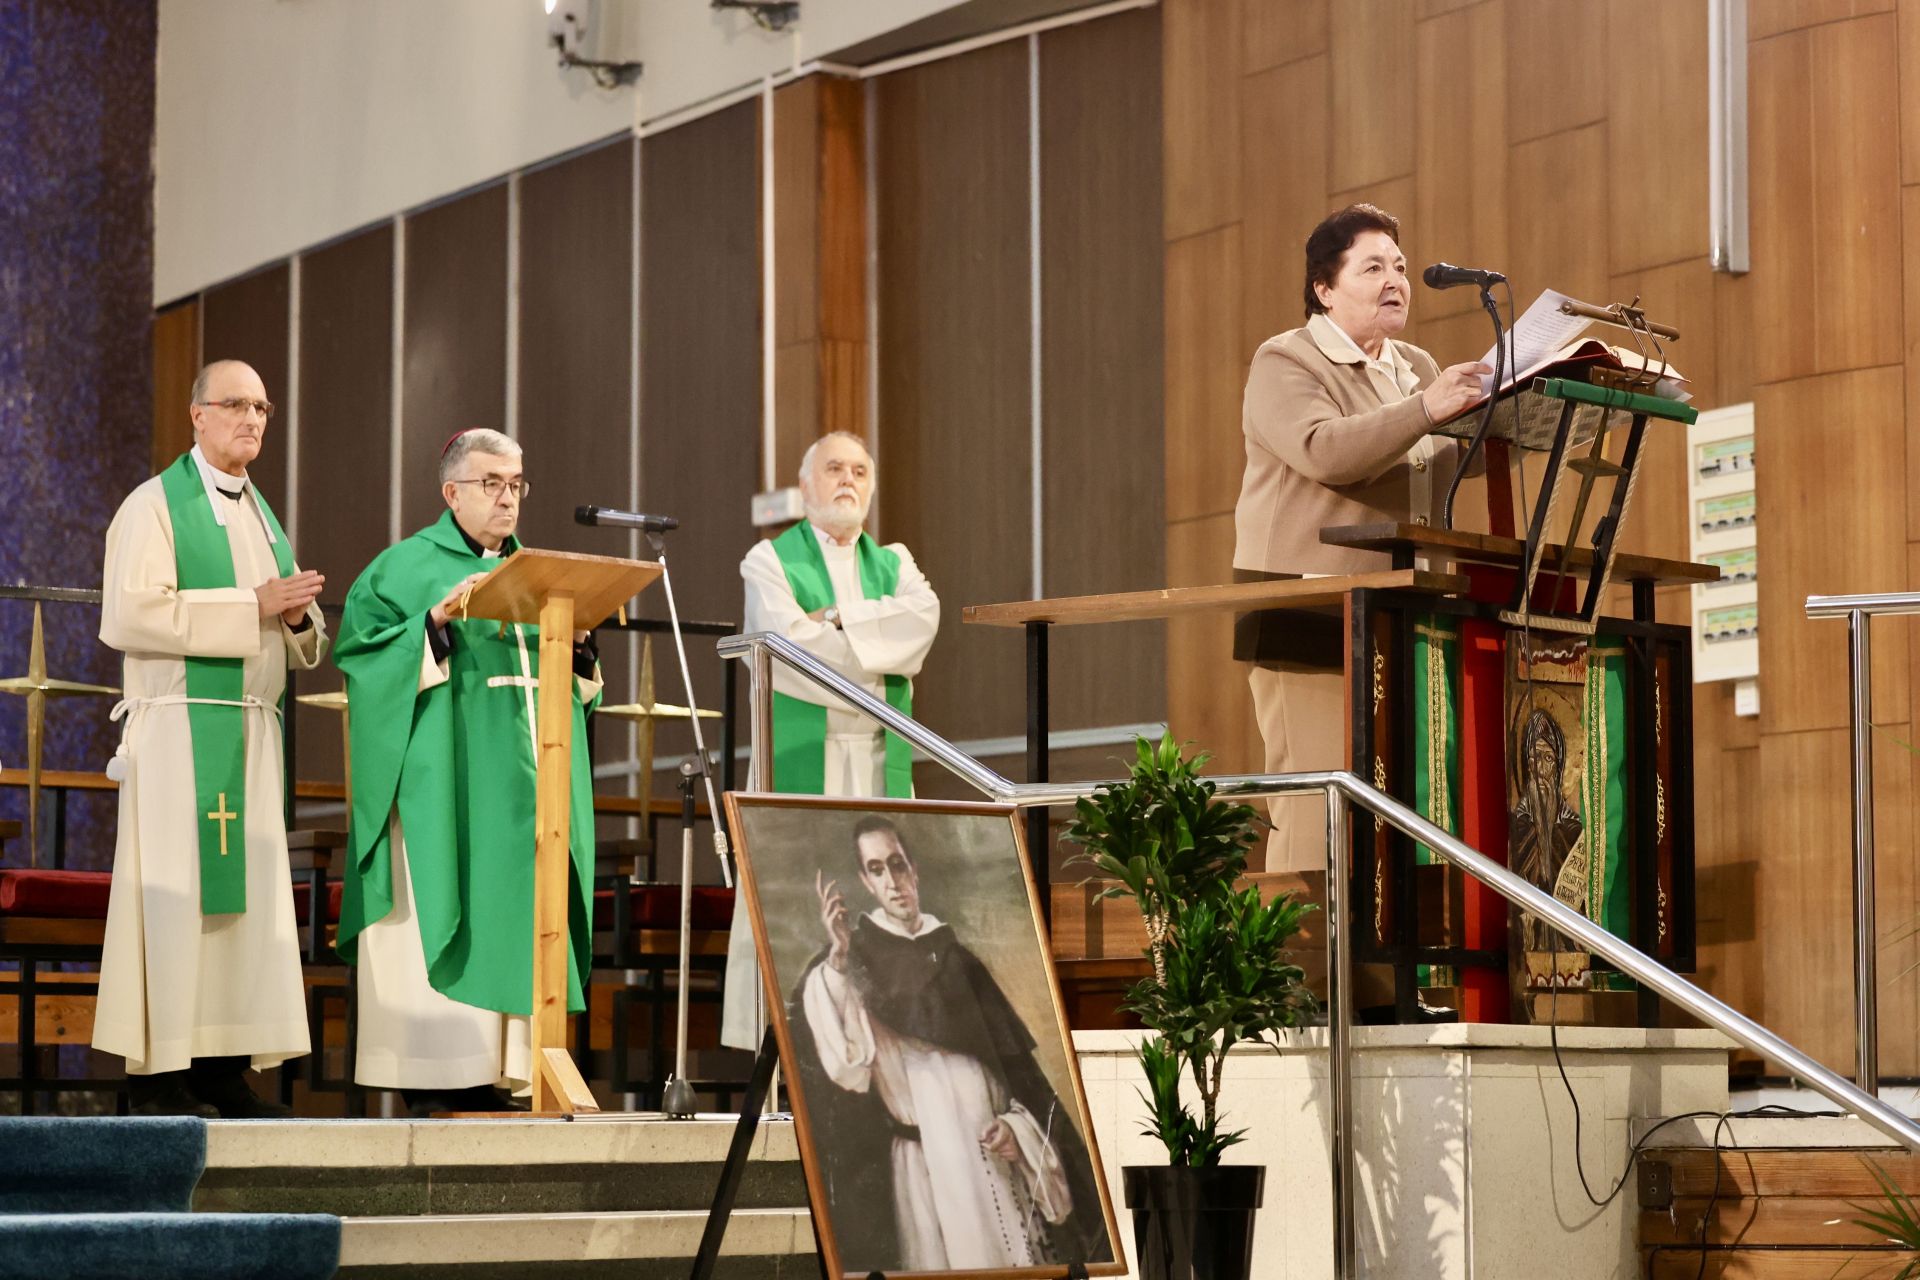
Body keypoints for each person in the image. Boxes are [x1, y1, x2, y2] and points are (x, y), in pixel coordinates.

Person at [332, 428, 601, 1116]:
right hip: (443, 787)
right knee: (441, 898)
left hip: (524, 788)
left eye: (516, 484)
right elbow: (363, 661)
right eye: (492, 483)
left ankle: (508, 1071)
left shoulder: (539, 576)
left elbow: (572, 687)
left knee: (514, 910)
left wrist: (581, 651)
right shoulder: (401, 569)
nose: (508, 498)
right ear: (452, 492)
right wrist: (432, 623)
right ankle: (437, 1074)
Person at [94, 359, 327, 1118]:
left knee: (243, 912)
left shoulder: (262, 515)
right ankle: (160, 1076)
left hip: (250, 733)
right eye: (236, 404)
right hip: (178, 733)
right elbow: (129, 615)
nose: (252, 419)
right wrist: (251, 604)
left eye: (262, 407)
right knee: (178, 901)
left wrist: (294, 618)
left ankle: (223, 1069)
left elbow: (293, 632)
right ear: (197, 415)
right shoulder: (152, 507)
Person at [1231, 203, 1490, 872]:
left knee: (1403, 815)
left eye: (1399, 267)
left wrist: (1557, 414)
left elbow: (1445, 461)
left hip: (1401, 612)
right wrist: (1427, 408)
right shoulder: (1287, 360)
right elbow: (1325, 451)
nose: (1395, 280)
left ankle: (1394, 946)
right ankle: (1303, 944)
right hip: (1308, 613)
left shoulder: (1414, 366)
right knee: (1320, 815)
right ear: (1324, 287)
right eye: (1373, 268)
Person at [791, 816, 1107, 1271]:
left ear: (914, 870)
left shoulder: (960, 960)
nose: (892, 881)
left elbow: (1013, 1078)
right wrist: (840, 962)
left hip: (993, 1163)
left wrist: (1014, 1130)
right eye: (877, 869)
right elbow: (848, 1066)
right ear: (866, 881)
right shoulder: (852, 963)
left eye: (897, 864)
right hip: (926, 1171)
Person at [722, 431, 940, 1051]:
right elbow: (791, 654)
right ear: (805, 485)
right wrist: (877, 654)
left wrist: (838, 621)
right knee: (798, 893)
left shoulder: (895, 562)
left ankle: (879, 1041)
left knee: (879, 893)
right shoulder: (768, 560)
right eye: (834, 468)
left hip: (877, 756)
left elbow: (922, 624)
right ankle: (784, 1048)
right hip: (801, 756)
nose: (848, 480)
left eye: (860, 471)